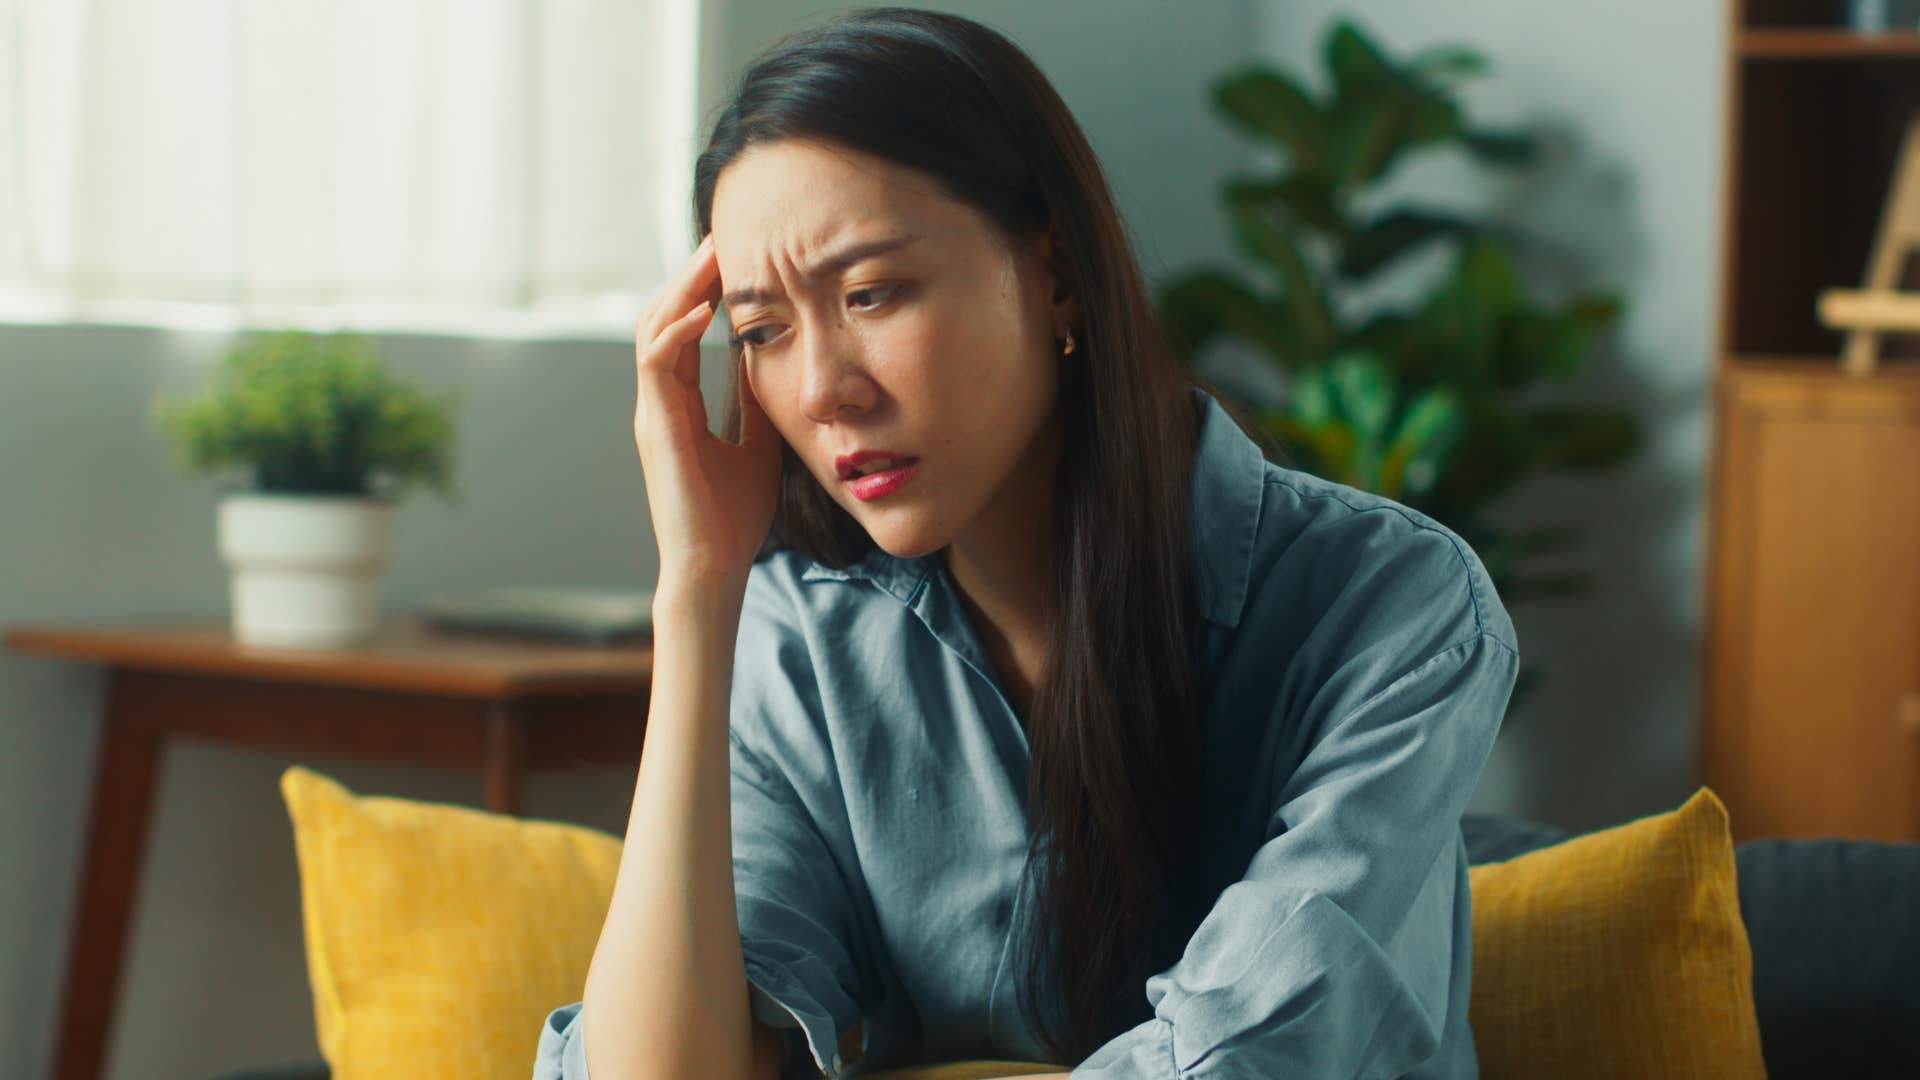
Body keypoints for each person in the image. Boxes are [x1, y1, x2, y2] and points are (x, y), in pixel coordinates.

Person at [533, 7, 1518, 1079]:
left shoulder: (1393, 605)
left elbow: (1244, 1057)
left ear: (1053, 270)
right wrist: (697, 586)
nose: (821, 390)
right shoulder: (804, 637)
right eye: (763, 330)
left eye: (870, 294)